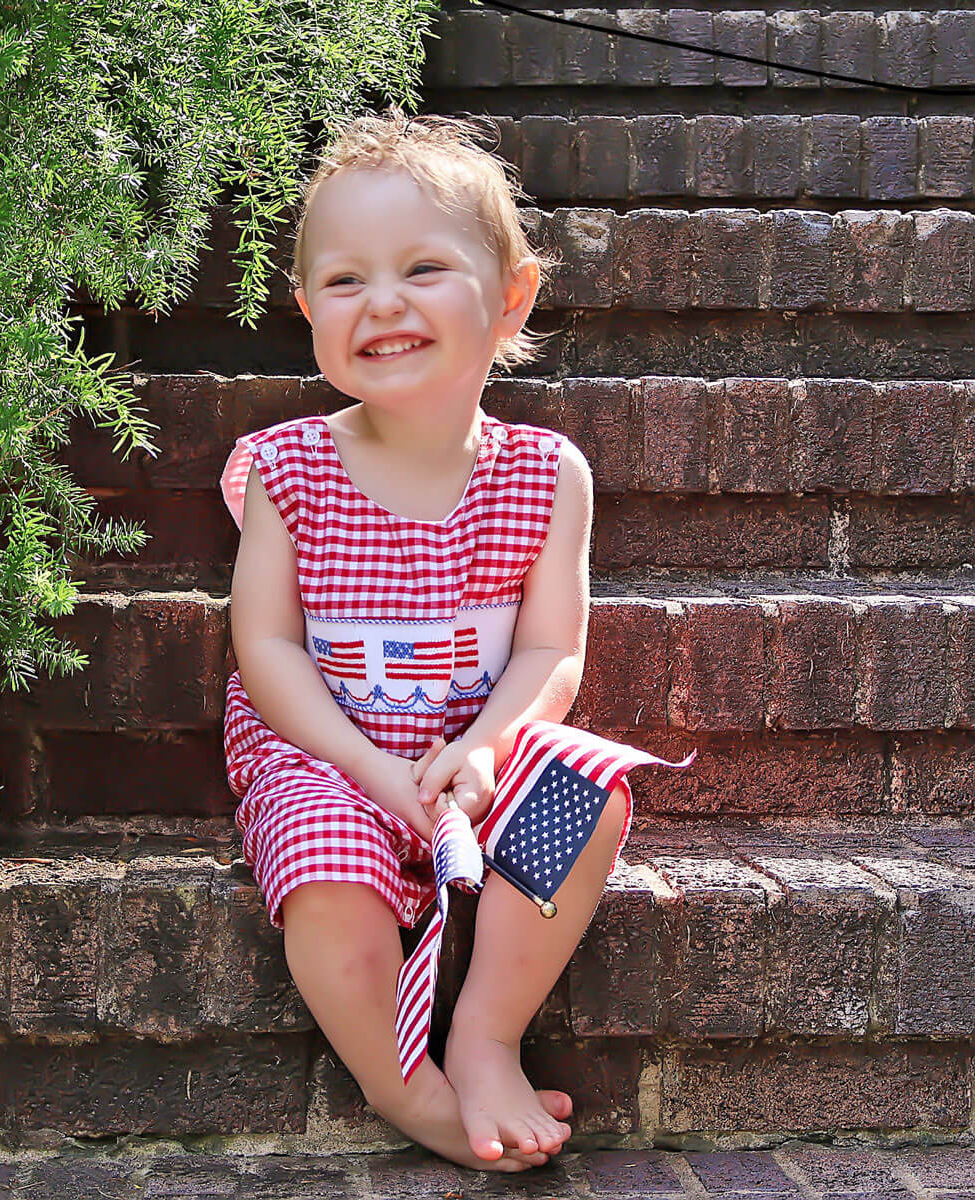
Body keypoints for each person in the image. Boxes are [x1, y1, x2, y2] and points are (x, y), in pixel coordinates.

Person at [219, 107, 672, 1172]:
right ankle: (404, 1087)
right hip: (326, 755)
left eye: (423, 267)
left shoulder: (546, 475)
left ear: (511, 294)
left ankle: (483, 1037)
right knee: (328, 873)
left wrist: (483, 753)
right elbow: (267, 650)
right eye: (344, 281)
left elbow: (549, 652)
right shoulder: (288, 469)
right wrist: (374, 772)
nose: (382, 302)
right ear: (307, 310)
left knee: (589, 794)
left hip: (473, 758)